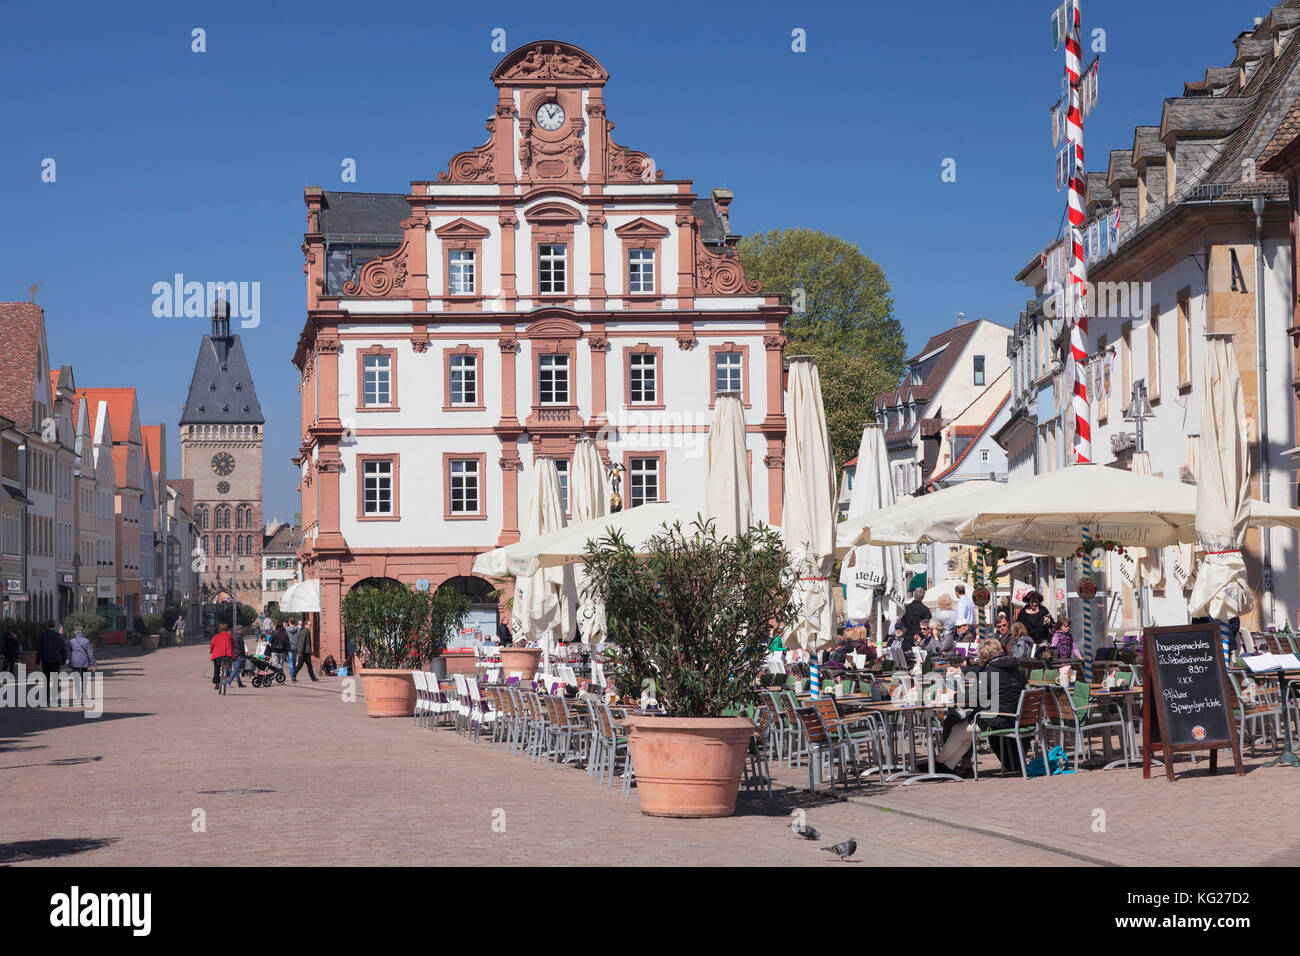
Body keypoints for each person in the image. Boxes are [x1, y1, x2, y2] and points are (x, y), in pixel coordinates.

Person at [936, 637, 1029, 775]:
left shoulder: (991, 672)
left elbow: (975, 699)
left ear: (985, 656)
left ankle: (937, 765)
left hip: (998, 719)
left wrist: (954, 695)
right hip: (1016, 717)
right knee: (964, 732)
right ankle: (948, 766)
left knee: (957, 730)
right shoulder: (1016, 668)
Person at [35, 621, 66, 695]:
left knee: (46, 679)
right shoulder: (59, 636)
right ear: (54, 626)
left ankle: (46, 696)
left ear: (47, 625)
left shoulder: (42, 635)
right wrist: (64, 660)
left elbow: (39, 649)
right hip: (56, 660)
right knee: (55, 678)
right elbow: (63, 649)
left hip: (46, 660)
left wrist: (37, 661)